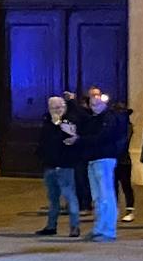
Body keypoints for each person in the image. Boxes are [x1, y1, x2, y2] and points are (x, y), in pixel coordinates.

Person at [83, 91, 128, 242]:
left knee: (106, 195)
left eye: (97, 104)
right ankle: (99, 228)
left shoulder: (109, 118)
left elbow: (102, 137)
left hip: (104, 159)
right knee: (97, 197)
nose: (94, 107)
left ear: (104, 104)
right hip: (94, 159)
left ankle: (108, 231)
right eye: (92, 105)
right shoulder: (95, 119)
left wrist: (79, 140)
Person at [35, 95, 82, 237]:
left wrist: (60, 126)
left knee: (69, 196)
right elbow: (44, 142)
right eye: (55, 108)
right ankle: (51, 226)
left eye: (61, 107)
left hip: (66, 165)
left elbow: (70, 140)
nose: (59, 110)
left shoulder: (69, 121)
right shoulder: (46, 122)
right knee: (53, 198)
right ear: (49, 109)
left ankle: (74, 226)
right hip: (50, 165)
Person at [114, 100, 137, 223]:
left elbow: (124, 142)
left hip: (123, 160)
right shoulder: (114, 126)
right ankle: (115, 208)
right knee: (114, 185)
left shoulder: (127, 126)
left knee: (126, 185)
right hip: (114, 159)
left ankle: (129, 210)